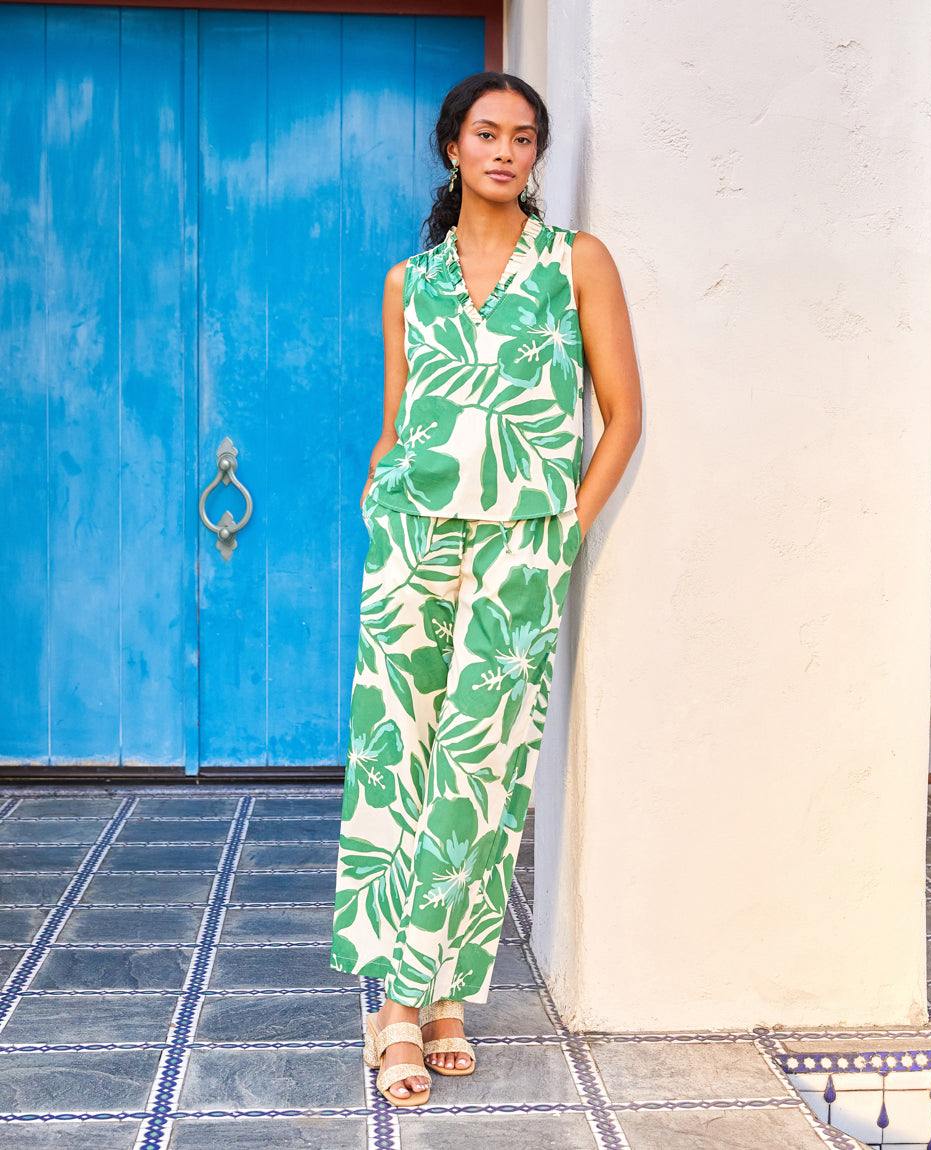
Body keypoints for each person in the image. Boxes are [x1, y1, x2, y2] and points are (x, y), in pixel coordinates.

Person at [329, 70, 642, 1107]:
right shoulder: (406, 284)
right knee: (397, 762)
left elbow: (623, 413)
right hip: (411, 541)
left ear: (535, 157)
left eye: (523, 137)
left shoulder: (574, 264)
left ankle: (429, 992)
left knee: (482, 769)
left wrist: (566, 529)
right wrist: (380, 497)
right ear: (451, 148)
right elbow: (396, 418)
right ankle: (411, 1002)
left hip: (520, 546)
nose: (505, 151)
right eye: (486, 133)